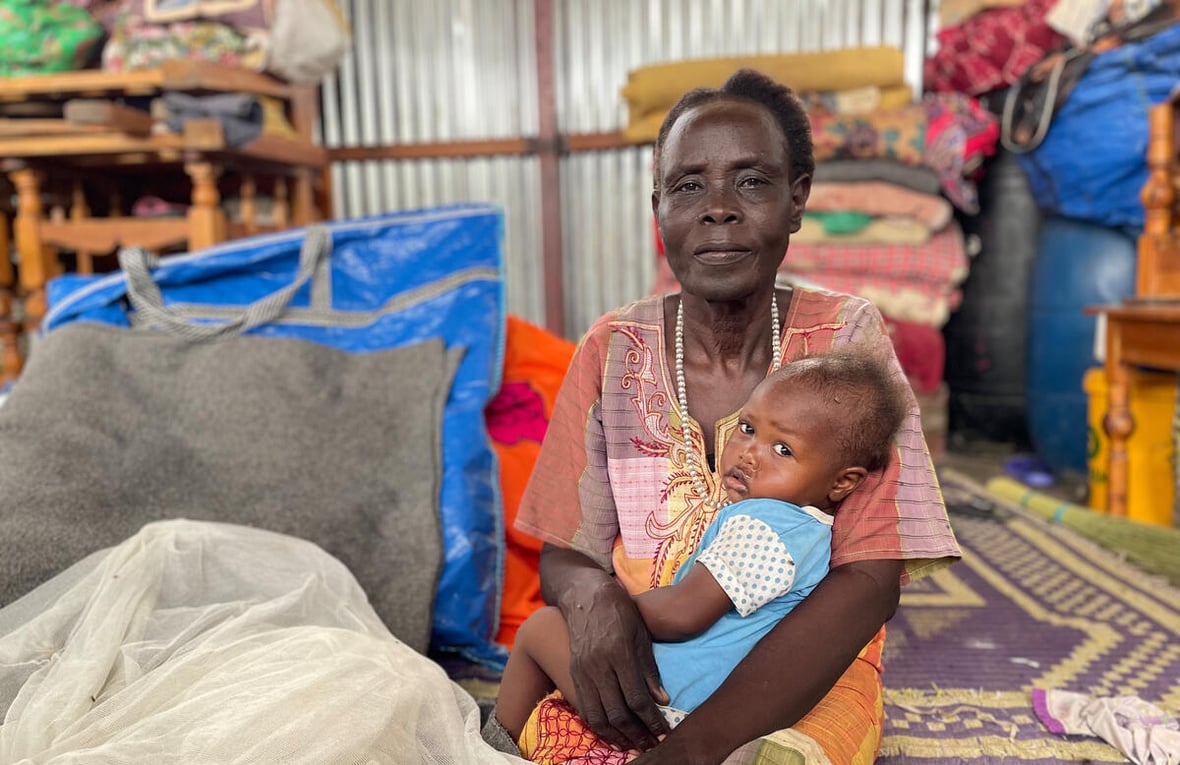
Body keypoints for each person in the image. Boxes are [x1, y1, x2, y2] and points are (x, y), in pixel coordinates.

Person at [499, 68, 962, 765]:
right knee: (552, 728)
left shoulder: (845, 340)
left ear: (797, 199)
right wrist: (595, 603)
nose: (718, 209)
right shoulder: (611, 348)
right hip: (643, 669)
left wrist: (693, 750)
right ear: (658, 209)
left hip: (795, 682)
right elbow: (568, 547)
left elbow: (870, 579)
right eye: (688, 186)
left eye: (751, 182)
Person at [495, 348, 911, 757]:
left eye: (782, 449)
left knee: (541, 629)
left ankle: (489, 748)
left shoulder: (762, 524)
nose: (748, 454)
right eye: (748, 428)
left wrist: (609, 611)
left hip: (668, 699)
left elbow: (682, 614)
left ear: (842, 483)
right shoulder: (813, 537)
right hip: (715, 704)